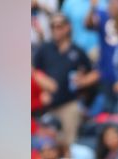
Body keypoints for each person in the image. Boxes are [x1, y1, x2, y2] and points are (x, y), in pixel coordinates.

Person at [32, 14, 99, 148]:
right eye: (52, 27)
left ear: (67, 27)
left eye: (59, 26)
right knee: (47, 146)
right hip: (47, 106)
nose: (55, 30)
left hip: (69, 103)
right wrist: (42, 86)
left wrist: (83, 81)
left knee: (68, 143)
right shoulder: (45, 49)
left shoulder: (77, 51)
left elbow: (95, 72)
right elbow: (33, 70)